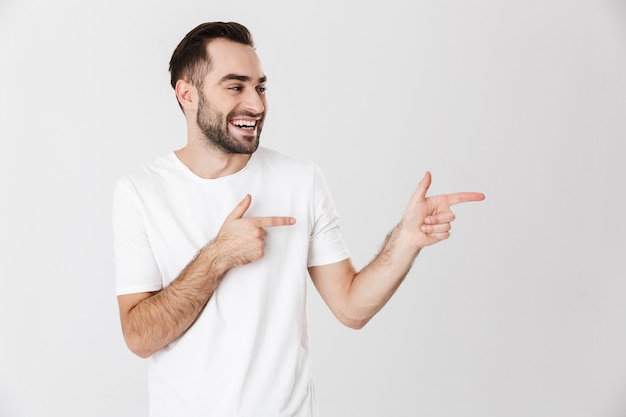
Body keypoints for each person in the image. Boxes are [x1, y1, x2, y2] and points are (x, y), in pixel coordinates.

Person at [113, 21, 485, 417]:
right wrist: (217, 256)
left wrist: (407, 239)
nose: (256, 105)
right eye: (235, 87)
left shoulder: (299, 180)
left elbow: (351, 308)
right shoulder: (140, 191)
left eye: (260, 87)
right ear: (187, 94)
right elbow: (140, 338)